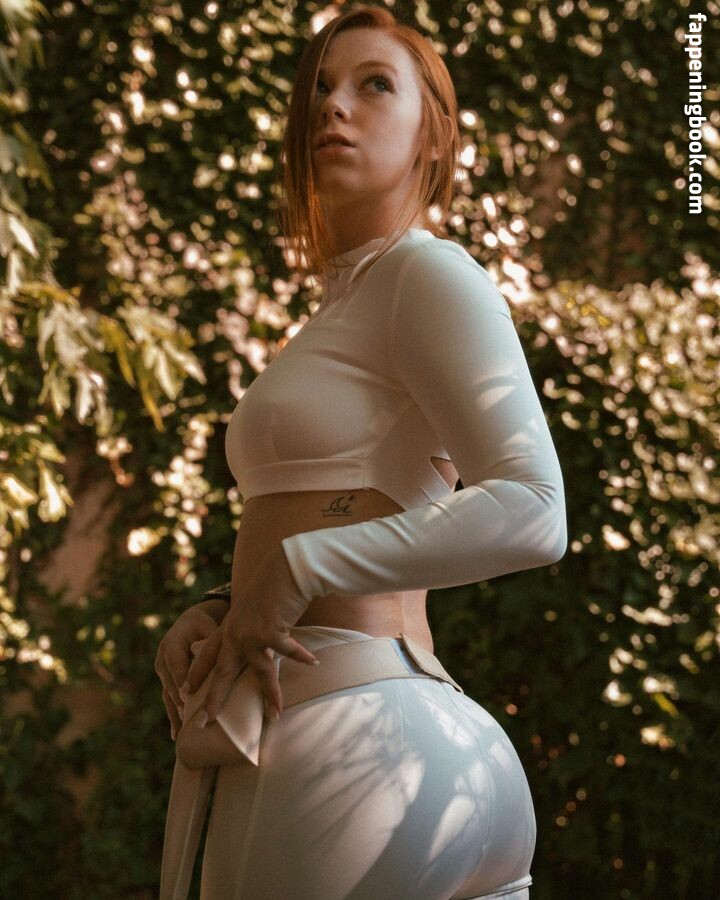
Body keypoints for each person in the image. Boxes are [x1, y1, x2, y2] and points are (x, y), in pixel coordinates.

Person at [154, 4, 567, 899]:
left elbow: (536, 510)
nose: (332, 106)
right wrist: (231, 602)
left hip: (351, 739)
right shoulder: (353, 301)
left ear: (433, 135)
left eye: (375, 84)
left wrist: (297, 568)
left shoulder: (427, 271)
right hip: (410, 747)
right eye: (320, 88)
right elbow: (371, 490)